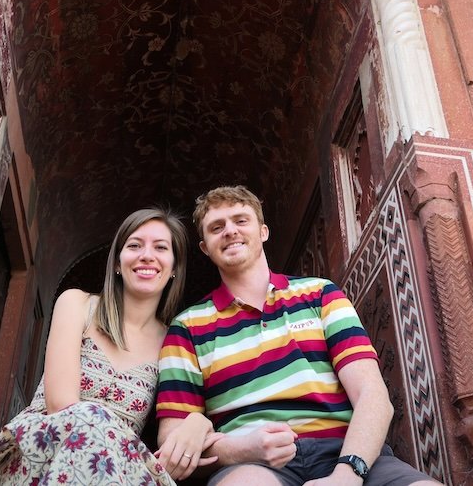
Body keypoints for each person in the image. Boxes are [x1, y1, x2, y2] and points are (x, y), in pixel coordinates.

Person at [156, 187, 442, 486]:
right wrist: (241, 449)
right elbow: (173, 445)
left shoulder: (320, 294)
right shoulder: (187, 327)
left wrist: (347, 475)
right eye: (217, 227)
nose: (229, 231)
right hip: (253, 466)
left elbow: (374, 397)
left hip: (349, 451)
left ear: (263, 231)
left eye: (241, 220)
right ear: (205, 247)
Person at [0, 208, 219, 485]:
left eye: (160, 247)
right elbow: (61, 404)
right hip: (41, 452)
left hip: (118, 468)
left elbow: (180, 416)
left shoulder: (174, 340)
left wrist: (199, 422)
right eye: (134, 245)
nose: (146, 255)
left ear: (174, 268)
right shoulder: (78, 304)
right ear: (118, 262)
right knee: (89, 417)